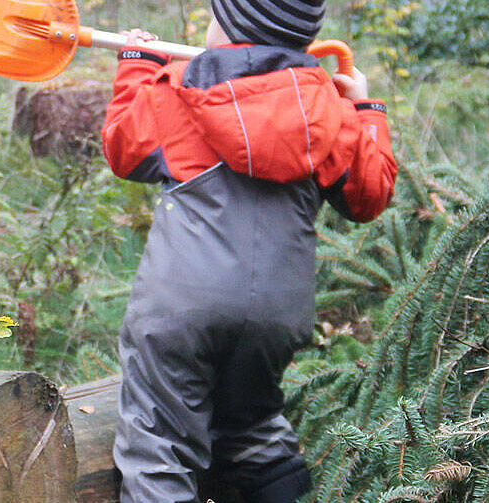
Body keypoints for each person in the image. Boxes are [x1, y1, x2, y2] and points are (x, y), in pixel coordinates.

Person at [98, 0, 398, 501]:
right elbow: (369, 195)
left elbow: (123, 146)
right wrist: (366, 108)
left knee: (159, 444)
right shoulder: (327, 110)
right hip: (278, 317)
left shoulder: (181, 92)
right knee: (254, 428)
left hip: (183, 310)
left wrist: (137, 65)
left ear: (233, 26)